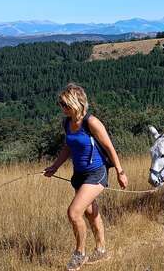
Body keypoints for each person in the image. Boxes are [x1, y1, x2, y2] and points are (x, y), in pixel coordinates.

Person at [44, 83, 128, 271]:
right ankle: (101, 250)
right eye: (61, 104)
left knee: (74, 212)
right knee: (90, 212)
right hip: (79, 175)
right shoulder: (67, 122)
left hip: (96, 174)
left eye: (65, 104)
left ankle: (79, 253)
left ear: (75, 103)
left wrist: (120, 172)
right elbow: (68, 146)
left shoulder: (91, 122)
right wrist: (55, 167)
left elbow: (109, 147)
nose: (62, 107)